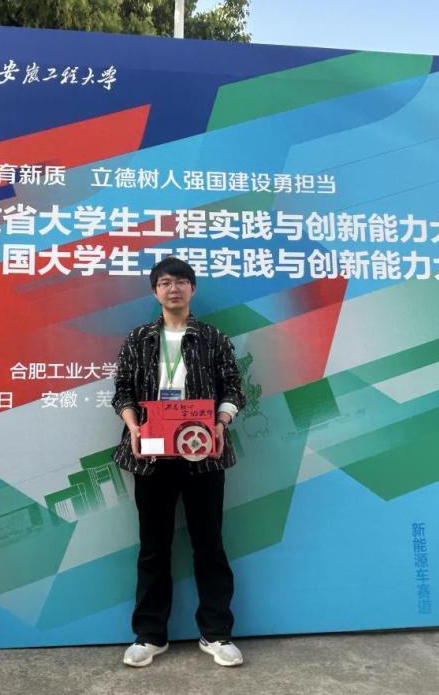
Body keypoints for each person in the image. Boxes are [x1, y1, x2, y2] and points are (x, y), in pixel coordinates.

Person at [111, 256, 246, 667]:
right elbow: (122, 391)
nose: (174, 288)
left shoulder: (213, 337)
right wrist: (133, 427)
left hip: (203, 452)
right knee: (154, 547)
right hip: (152, 455)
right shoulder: (138, 339)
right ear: (155, 291)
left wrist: (221, 422)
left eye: (181, 281)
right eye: (166, 282)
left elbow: (234, 387)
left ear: (193, 288)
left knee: (209, 544)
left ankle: (216, 633)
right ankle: (150, 635)